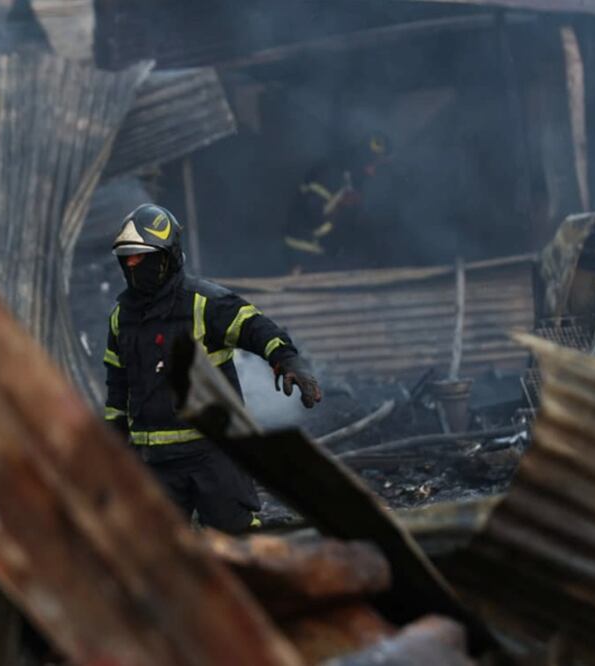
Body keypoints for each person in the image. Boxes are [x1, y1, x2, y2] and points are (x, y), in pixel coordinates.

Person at [104, 203, 322, 533]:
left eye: (142, 256)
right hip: (154, 462)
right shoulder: (122, 317)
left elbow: (255, 328)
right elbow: (117, 385)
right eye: (127, 258)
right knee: (163, 554)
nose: (133, 264)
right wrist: (115, 438)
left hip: (215, 454)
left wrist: (286, 359)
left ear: (168, 256)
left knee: (238, 541)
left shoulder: (203, 302)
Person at [283, 132, 393, 272]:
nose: (373, 172)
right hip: (303, 252)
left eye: (380, 166)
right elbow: (313, 219)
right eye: (372, 164)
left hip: (325, 252)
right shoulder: (329, 176)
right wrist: (341, 209)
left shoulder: (354, 179)